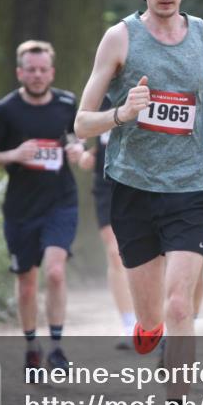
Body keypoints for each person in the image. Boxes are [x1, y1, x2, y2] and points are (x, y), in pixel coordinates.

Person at [74, 0, 203, 405]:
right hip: (134, 188)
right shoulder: (120, 37)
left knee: (180, 307)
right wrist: (123, 112)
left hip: (192, 187)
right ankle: (145, 328)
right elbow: (82, 122)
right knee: (151, 320)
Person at [0, 40, 84, 374]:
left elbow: (77, 137)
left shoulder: (68, 104)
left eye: (43, 70)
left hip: (60, 202)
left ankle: (56, 346)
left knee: (54, 272)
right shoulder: (6, 110)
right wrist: (13, 155)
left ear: (51, 72)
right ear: (20, 72)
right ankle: (31, 346)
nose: (37, 76)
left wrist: (77, 149)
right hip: (21, 207)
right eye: (31, 70)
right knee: (27, 282)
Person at [78, 95, 135, 349]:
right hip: (107, 184)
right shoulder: (101, 92)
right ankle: (129, 323)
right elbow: (82, 130)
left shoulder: (151, 81)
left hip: (145, 181)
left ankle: (156, 322)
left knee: (153, 255)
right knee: (115, 253)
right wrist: (87, 154)